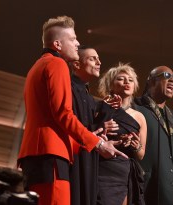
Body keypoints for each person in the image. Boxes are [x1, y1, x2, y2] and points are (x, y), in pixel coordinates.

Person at [17, 16, 126, 205]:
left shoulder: (36, 67)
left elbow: (49, 116)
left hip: (36, 156)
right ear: (58, 44)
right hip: (51, 157)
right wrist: (98, 144)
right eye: (73, 39)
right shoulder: (57, 64)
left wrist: (87, 139)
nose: (78, 43)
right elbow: (63, 113)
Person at [69, 45, 121, 205]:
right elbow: (71, 124)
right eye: (92, 58)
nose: (99, 62)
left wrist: (106, 112)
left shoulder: (89, 97)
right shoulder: (68, 88)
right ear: (77, 64)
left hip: (88, 160)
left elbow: (92, 127)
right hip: (73, 159)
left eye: (98, 58)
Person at [135, 66, 173, 205]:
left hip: (169, 194)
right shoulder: (136, 108)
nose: (172, 80)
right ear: (151, 81)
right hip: (142, 190)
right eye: (166, 75)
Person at [96, 63, 147, 205]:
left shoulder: (139, 116)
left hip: (124, 172)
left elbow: (141, 154)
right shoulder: (99, 107)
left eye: (130, 80)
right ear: (110, 85)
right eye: (121, 79)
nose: (126, 82)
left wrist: (135, 146)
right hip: (103, 170)